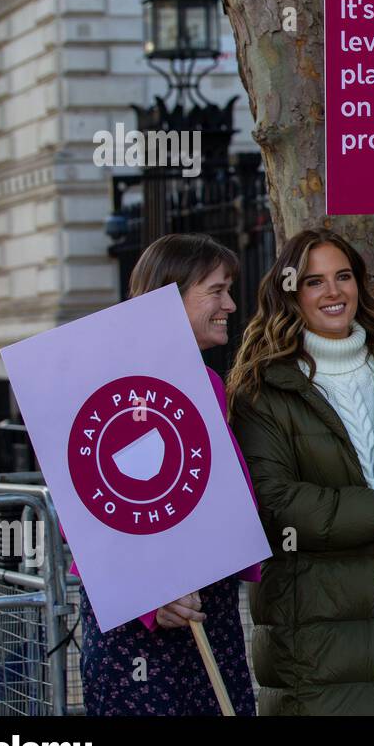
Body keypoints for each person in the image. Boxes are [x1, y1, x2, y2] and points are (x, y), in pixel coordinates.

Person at [227, 229, 374, 715]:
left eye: (343, 276)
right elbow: (277, 506)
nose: (334, 292)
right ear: (291, 292)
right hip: (318, 628)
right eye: (315, 282)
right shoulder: (263, 388)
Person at [77, 233, 259, 716]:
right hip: (141, 613)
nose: (231, 304)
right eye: (216, 291)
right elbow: (90, 505)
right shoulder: (108, 379)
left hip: (207, 602)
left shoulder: (208, 383)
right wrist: (148, 595)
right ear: (168, 297)